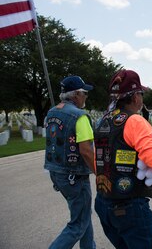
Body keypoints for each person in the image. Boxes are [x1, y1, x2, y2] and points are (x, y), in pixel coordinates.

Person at [93, 69, 152, 248]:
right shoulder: (134, 121)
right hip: (129, 206)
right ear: (135, 97)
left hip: (104, 202)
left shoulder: (103, 120)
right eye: (141, 94)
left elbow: (97, 160)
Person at [44, 75, 96, 249]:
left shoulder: (52, 112)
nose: (86, 97)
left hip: (56, 173)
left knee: (83, 215)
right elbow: (86, 151)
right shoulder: (80, 116)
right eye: (84, 93)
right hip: (75, 176)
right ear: (76, 95)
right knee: (78, 224)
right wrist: (100, 173)